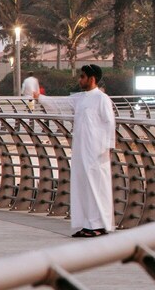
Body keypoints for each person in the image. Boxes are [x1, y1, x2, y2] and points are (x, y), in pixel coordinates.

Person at [67, 64, 116, 238]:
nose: (79, 80)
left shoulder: (102, 99)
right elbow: (58, 104)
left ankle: (98, 225)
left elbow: (110, 123)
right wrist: (39, 98)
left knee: (97, 187)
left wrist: (108, 147)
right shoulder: (80, 98)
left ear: (92, 78)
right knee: (84, 186)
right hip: (81, 150)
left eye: (82, 76)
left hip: (97, 151)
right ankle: (87, 223)